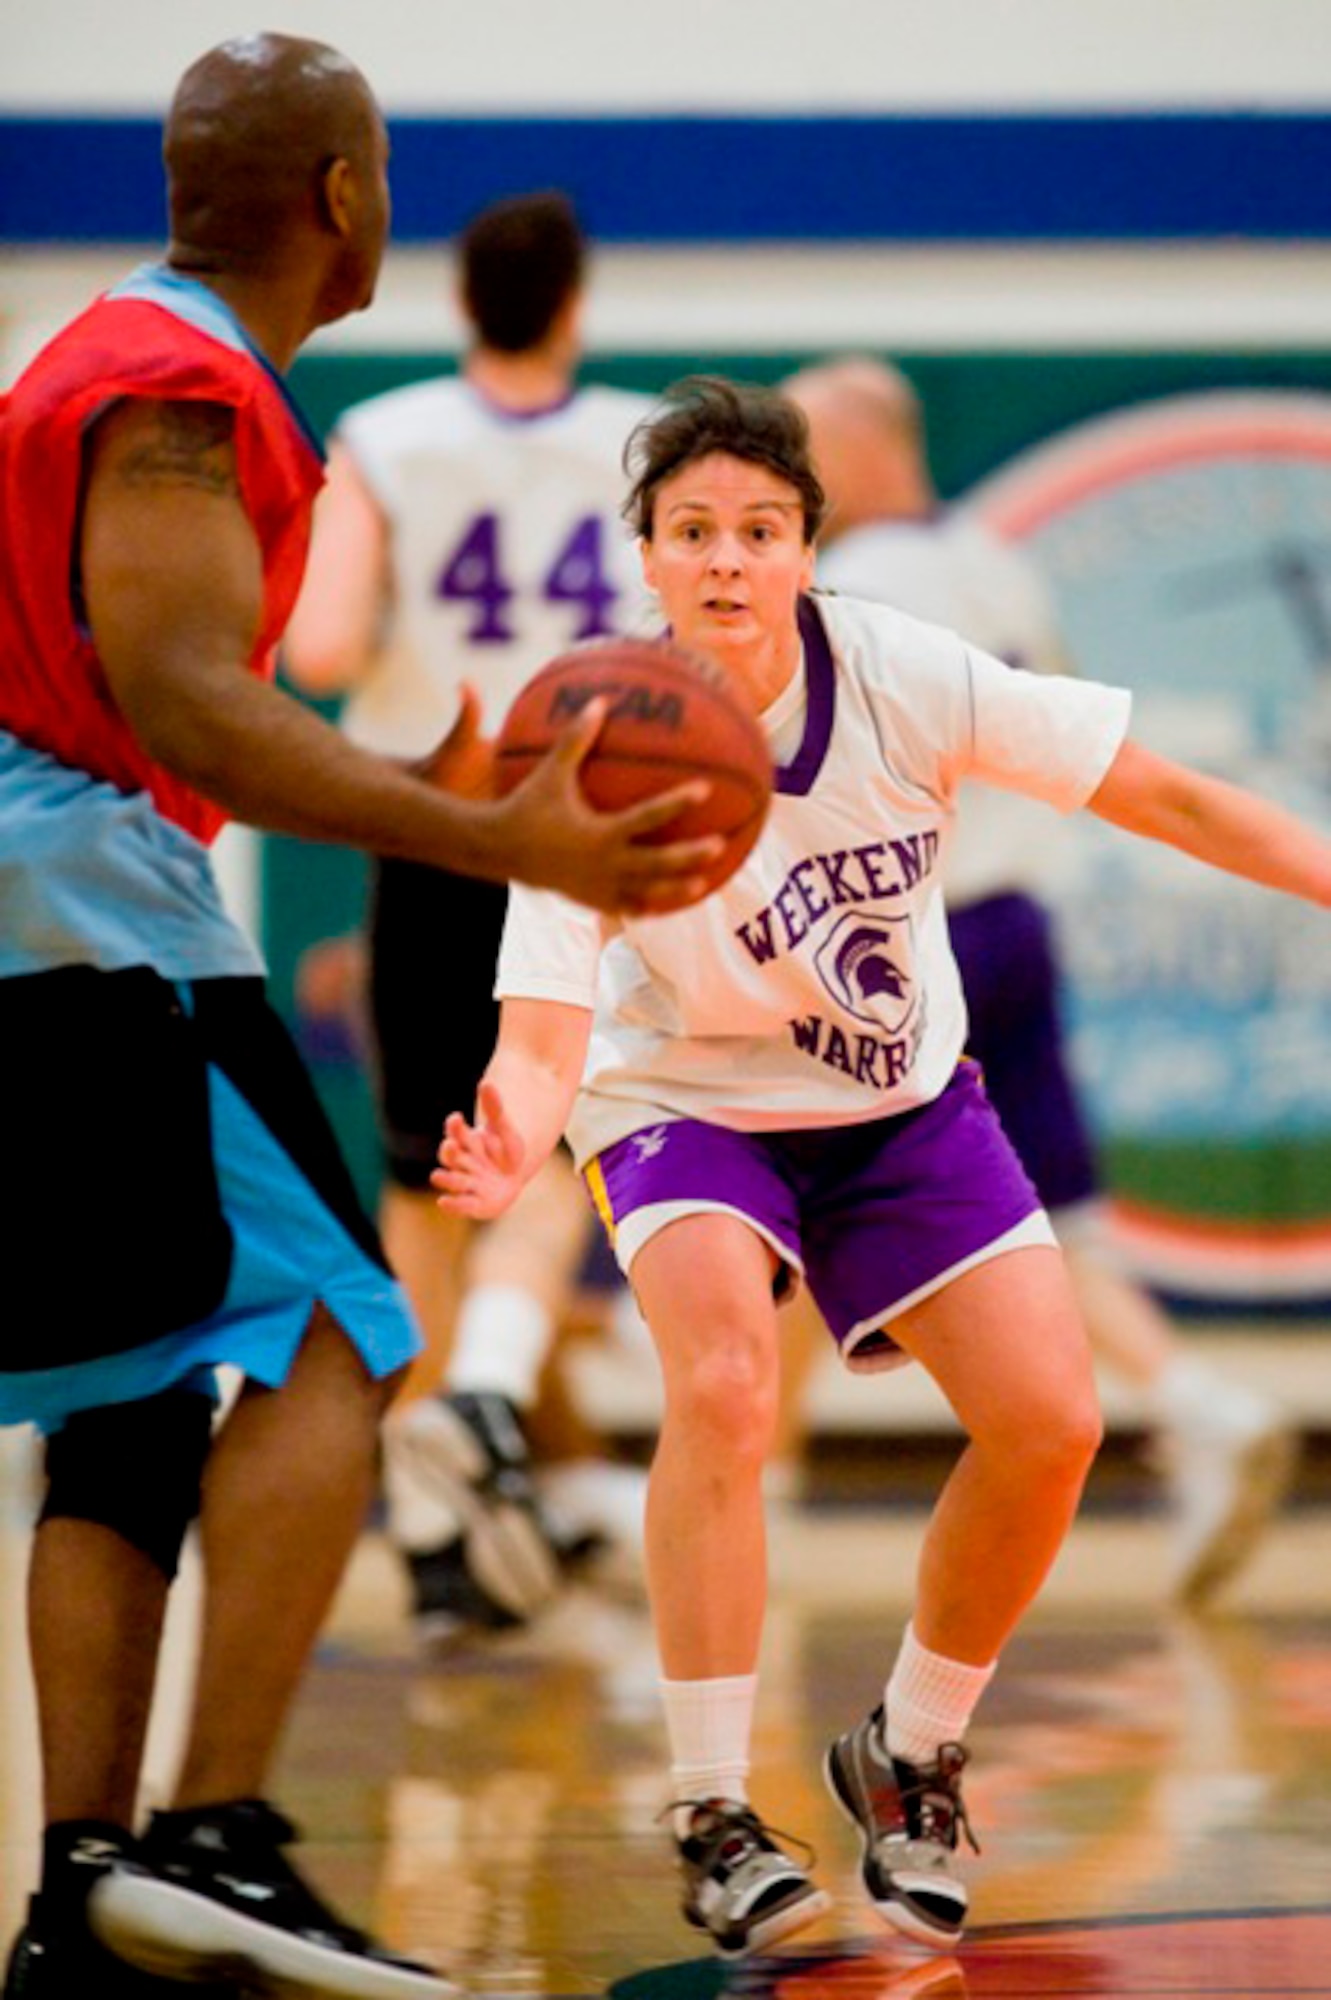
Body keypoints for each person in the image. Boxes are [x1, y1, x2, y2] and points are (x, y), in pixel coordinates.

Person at [431, 377, 1331, 1958]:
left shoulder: (903, 670)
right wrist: (510, 1119)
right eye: (692, 530)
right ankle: (712, 1805)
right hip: (681, 1097)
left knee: (1050, 1422)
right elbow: (540, 1024)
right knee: (718, 1381)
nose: (724, 559)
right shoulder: (588, 735)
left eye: (757, 531)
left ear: (804, 548)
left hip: (893, 1100)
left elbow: (1166, 795)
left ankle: (908, 1753)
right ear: (643, 553)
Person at [0, 42, 718, 2000]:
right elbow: (184, 696)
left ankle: (89, 1890)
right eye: (379, 169)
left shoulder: (181, 373)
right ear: (340, 197)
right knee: (337, 1329)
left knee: (127, 1400)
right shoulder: (169, 380)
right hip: (85, 907)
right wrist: (476, 823)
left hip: (56, 900)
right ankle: (213, 1835)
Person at [783, 355, 1297, 1604]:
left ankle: (742, 1471)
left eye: (800, 445)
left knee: (808, 1201)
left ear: (861, 447)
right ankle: (1198, 1402)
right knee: (1052, 1215)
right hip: (1017, 911)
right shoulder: (995, 560)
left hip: (911, 933)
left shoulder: (859, 591)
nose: (789, 477)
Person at [285, 191, 656, 1642]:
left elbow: (318, 647)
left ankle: (434, 1540)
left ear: (459, 305)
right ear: (570, 303)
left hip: (425, 818)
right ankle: (494, 1391)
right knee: (559, 1134)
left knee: (417, 1189)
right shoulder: (636, 439)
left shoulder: (381, 439)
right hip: (572, 817)